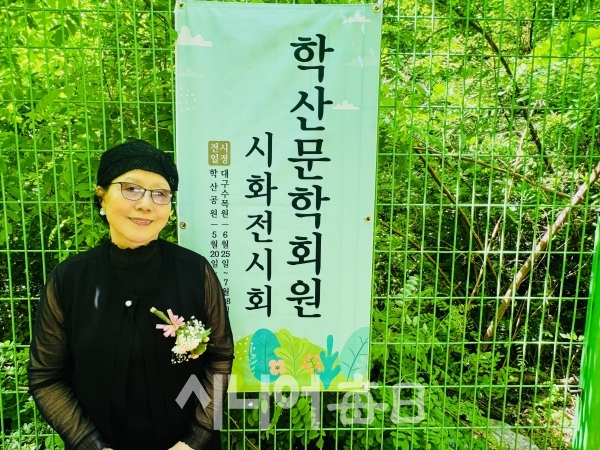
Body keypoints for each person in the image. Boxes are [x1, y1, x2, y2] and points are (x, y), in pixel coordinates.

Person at [28, 140, 234, 450]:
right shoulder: (69, 280)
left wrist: (196, 439)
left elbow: (219, 359)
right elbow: (46, 378)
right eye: (131, 189)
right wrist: (89, 444)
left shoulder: (195, 272)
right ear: (102, 197)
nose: (146, 204)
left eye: (160, 194)